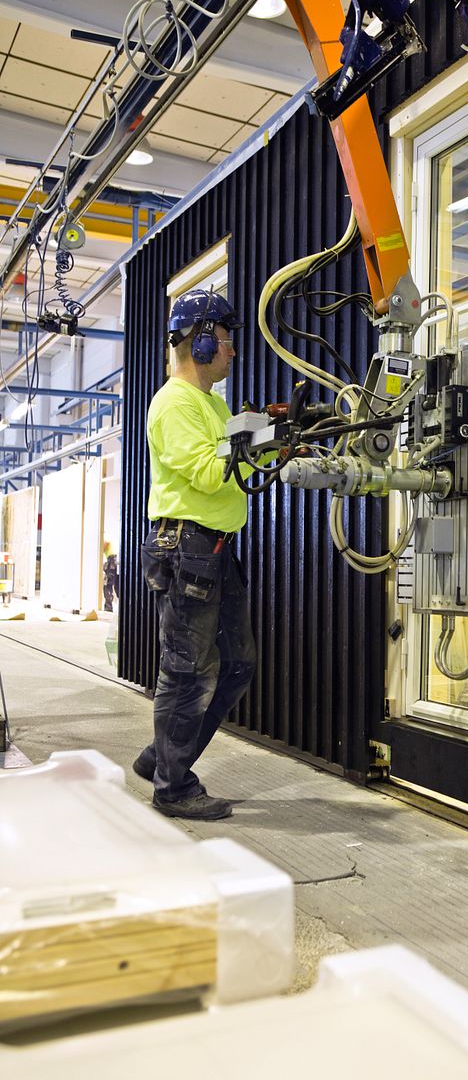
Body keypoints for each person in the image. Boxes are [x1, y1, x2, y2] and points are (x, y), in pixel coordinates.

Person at [134, 288, 256, 821]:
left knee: (237, 666)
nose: (231, 352)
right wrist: (254, 447)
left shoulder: (212, 403)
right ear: (202, 342)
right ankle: (172, 786)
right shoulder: (174, 403)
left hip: (215, 550)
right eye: (225, 341)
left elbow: (237, 474)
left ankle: (162, 757)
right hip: (188, 549)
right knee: (188, 672)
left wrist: (262, 444)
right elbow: (211, 473)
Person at [102, 539, 119, 612]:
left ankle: (108, 607)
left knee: (107, 585)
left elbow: (106, 543)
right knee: (117, 585)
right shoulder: (112, 537)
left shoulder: (105, 536)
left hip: (112, 560)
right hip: (117, 560)